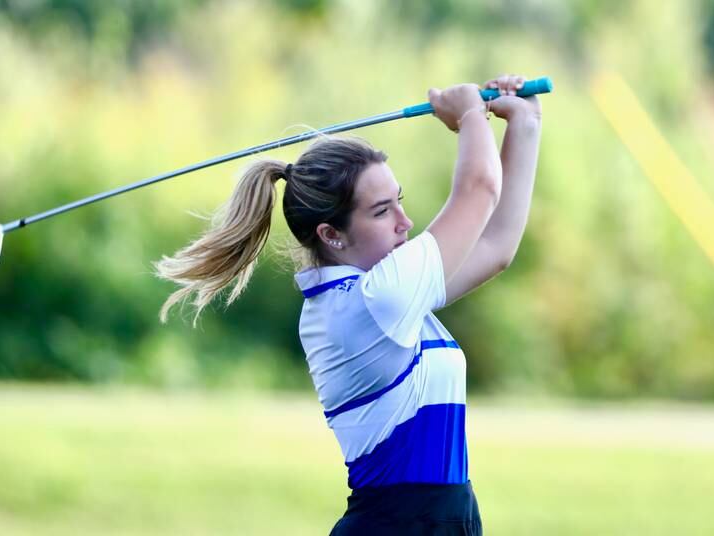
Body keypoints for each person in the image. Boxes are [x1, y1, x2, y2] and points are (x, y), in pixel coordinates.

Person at [155, 74, 542, 535]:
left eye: (398, 201)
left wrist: (526, 123)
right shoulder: (378, 301)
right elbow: (478, 188)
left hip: (437, 520)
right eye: (381, 211)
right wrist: (469, 115)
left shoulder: (383, 293)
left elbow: (496, 245)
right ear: (331, 234)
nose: (405, 222)